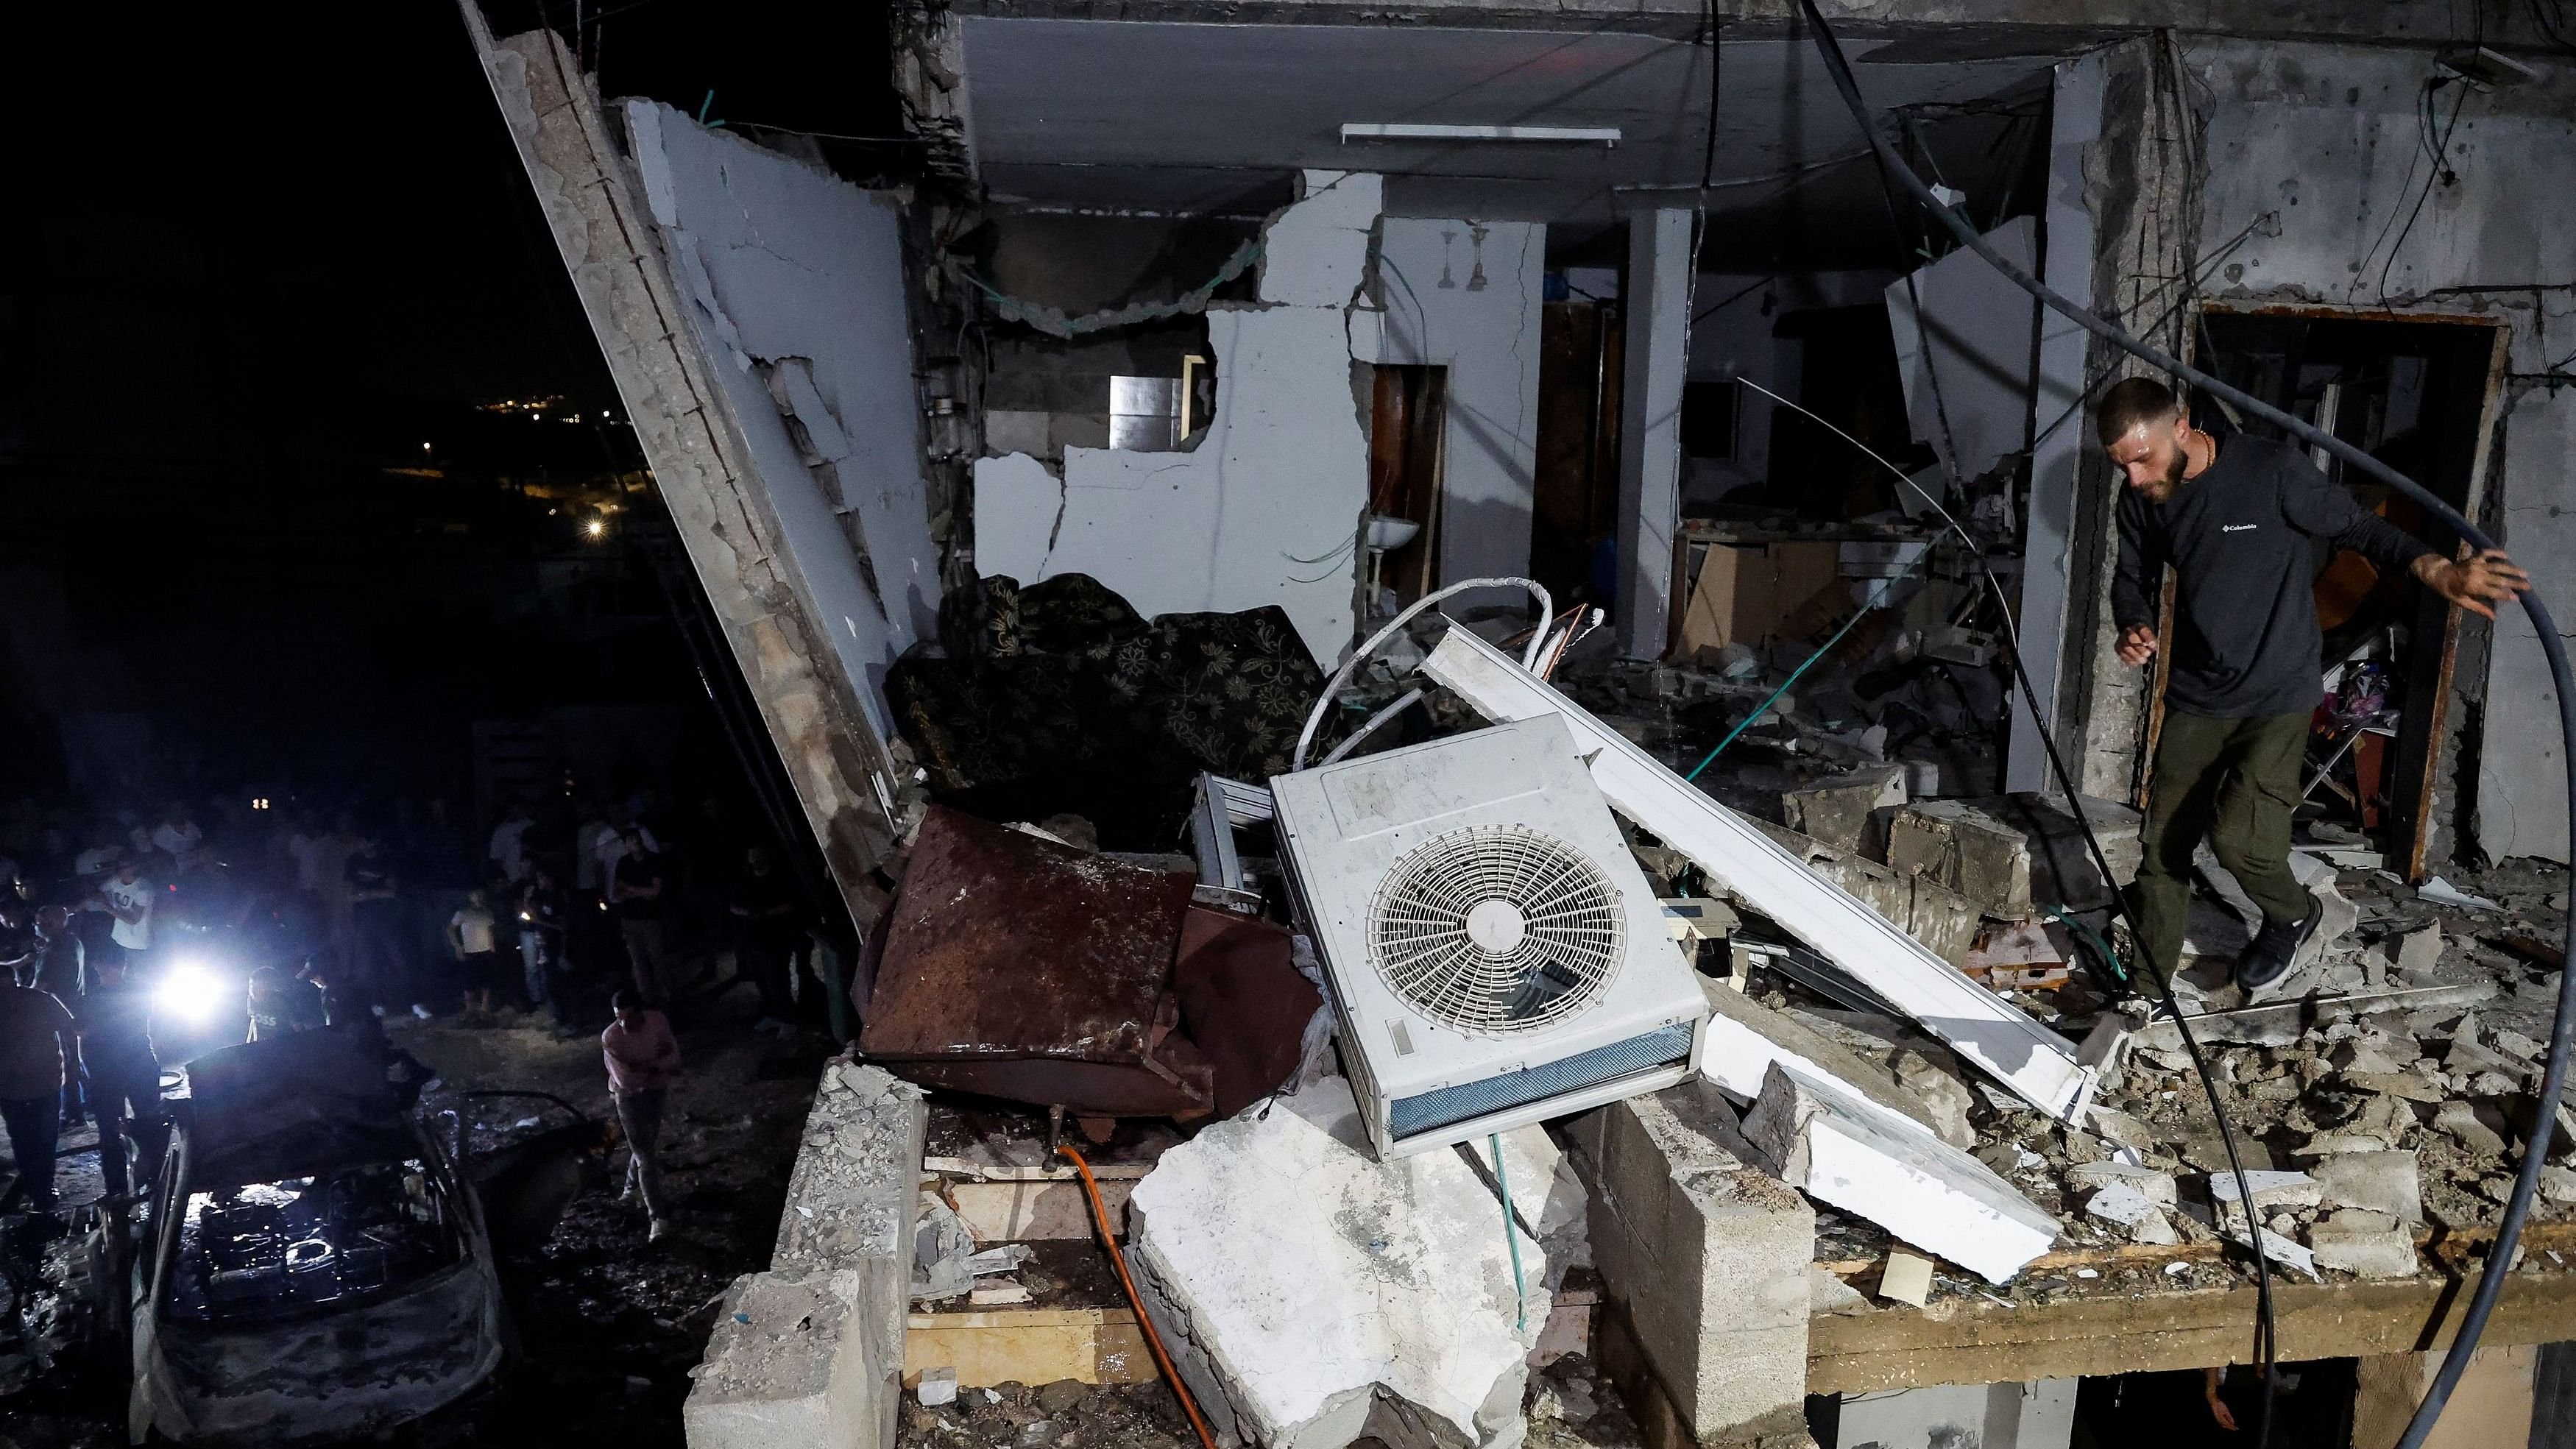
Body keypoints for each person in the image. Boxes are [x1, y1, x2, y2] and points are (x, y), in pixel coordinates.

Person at [2101, 378, 2532, 991]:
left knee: (2238, 838)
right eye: (2124, 467)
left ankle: (2293, 913)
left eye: (2143, 459)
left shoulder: (2271, 470)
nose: (2137, 479)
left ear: (2182, 425)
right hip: (2199, 694)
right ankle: (2143, 992)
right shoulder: (2141, 498)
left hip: (2277, 692)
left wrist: (2437, 569)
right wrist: (2133, 622)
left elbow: (2361, 529)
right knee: (2162, 848)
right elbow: (2131, 574)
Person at [77, 952, 160, 1197]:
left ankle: (121, 1189)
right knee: (145, 1123)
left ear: (97, 966)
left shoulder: (90, 999)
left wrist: (85, 1069)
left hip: (110, 1069)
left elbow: (82, 1033)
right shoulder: (141, 991)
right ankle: (152, 1179)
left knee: (115, 1130)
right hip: (136, 1064)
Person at [601, 989, 679, 1242]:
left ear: (640, 1012)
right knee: (646, 1155)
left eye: (627, 1017)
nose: (623, 1024)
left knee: (646, 1145)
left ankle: (630, 1190)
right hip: (629, 1099)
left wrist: (645, 1068)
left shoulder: (656, 1021)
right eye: (618, 1018)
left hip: (656, 1091)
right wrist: (656, 1065)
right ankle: (658, 1217)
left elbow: (674, 1056)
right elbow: (626, 1079)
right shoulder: (611, 1037)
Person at [0, 978, 78, 1212]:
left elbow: (69, 1029)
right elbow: (70, 1029)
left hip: (16, 1088)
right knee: (42, 1141)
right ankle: (41, 1190)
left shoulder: (40, 1000)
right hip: (41, 1084)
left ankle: (37, 1189)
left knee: (24, 1141)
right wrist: (72, 1063)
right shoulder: (40, 999)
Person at [728, 846, 803, 1036]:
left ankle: (788, 1020)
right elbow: (734, 906)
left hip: (777, 940)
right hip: (754, 940)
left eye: (758, 855)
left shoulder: (778, 880)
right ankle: (772, 1015)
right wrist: (748, 913)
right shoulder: (745, 881)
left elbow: (789, 905)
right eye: (752, 856)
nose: (755, 859)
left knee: (778, 981)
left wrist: (767, 913)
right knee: (762, 981)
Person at [612, 828, 675, 1006]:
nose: (636, 842)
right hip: (629, 919)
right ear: (626, 844)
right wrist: (642, 892)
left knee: (657, 959)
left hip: (651, 918)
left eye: (637, 838)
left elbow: (655, 892)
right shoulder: (623, 863)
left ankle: (668, 996)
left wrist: (631, 889)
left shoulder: (654, 860)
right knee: (638, 961)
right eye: (631, 839)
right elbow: (618, 893)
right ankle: (646, 998)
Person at [344, 833, 405, 1012]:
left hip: (387, 918)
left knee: (399, 958)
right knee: (370, 963)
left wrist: (367, 894)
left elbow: (392, 892)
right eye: (361, 839)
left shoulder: (386, 860)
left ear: (375, 840)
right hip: (363, 919)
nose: (363, 843)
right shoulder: (353, 861)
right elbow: (350, 895)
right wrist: (375, 892)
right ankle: (377, 1002)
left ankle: (412, 1000)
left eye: (366, 838)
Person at [517, 864, 576, 1039]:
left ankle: (569, 1022)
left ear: (550, 879)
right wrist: (527, 901)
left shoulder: (558, 897)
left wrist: (540, 922)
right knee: (548, 985)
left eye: (542, 878)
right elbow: (531, 915)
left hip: (557, 947)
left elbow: (563, 926)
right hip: (545, 946)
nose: (539, 881)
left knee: (558, 985)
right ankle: (560, 1019)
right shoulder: (543, 896)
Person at [446, 888, 503, 1022]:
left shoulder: (487, 913)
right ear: (470, 897)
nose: (478, 897)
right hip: (470, 952)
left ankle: (484, 1008)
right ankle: (469, 1009)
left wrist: (492, 947)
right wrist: (458, 947)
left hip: (485, 951)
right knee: (469, 981)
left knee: (486, 980)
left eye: (480, 894)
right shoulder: (463, 913)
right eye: (475, 894)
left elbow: (490, 931)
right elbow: (450, 930)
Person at [92, 854, 155, 975]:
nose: (120, 870)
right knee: (118, 976)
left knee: (141, 978)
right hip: (119, 939)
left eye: (124, 866)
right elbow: (98, 893)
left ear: (135, 867)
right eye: (119, 867)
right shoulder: (114, 881)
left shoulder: (143, 889)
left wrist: (107, 907)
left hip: (139, 944)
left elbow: (134, 919)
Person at [245, 966, 328, 1041]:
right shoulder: (250, 999)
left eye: (258, 986)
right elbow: (253, 1023)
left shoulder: (282, 1002)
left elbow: (298, 1029)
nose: (253, 990)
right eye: (251, 985)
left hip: (284, 1046)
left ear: (268, 986)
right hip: (261, 1048)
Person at [487, 799, 536, 889]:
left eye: (519, 807)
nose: (517, 810)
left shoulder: (530, 825)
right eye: (515, 807)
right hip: (511, 879)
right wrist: (503, 879)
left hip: (530, 878)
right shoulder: (500, 830)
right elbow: (495, 857)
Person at [150, 801, 206, 877]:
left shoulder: (193, 828)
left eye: (181, 809)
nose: (178, 812)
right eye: (175, 810)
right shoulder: (161, 833)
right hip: (177, 875)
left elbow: (202, 847)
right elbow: (160, 857)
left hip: (200, 870)